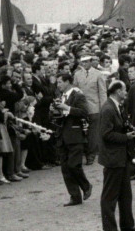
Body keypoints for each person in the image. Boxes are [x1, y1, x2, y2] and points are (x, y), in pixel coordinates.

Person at [98, 79, 135, 231]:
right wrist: (126, 137)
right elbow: (106, 134)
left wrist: (129, 130)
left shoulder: (116, 106)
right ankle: (110, 228)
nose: (126, 93)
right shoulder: (108, 109)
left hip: (120, 158)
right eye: (124, 90)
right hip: (113, 159)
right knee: (109, 197)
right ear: (118, 92)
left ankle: (128, 225)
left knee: (125, 195)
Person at [52, 71, 93, 206]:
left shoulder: (78, 96)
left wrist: (67, 108)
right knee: (65, 168)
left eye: (60, 82)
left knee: (74, 165)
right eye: (57, 82)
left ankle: (86, 186)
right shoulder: (59, 96)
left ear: (67, 82)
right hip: (62, 136)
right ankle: (75, 197)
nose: (58, 85)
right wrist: (52, 111)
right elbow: (54, 118)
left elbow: (84, 112)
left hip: (75, 135)